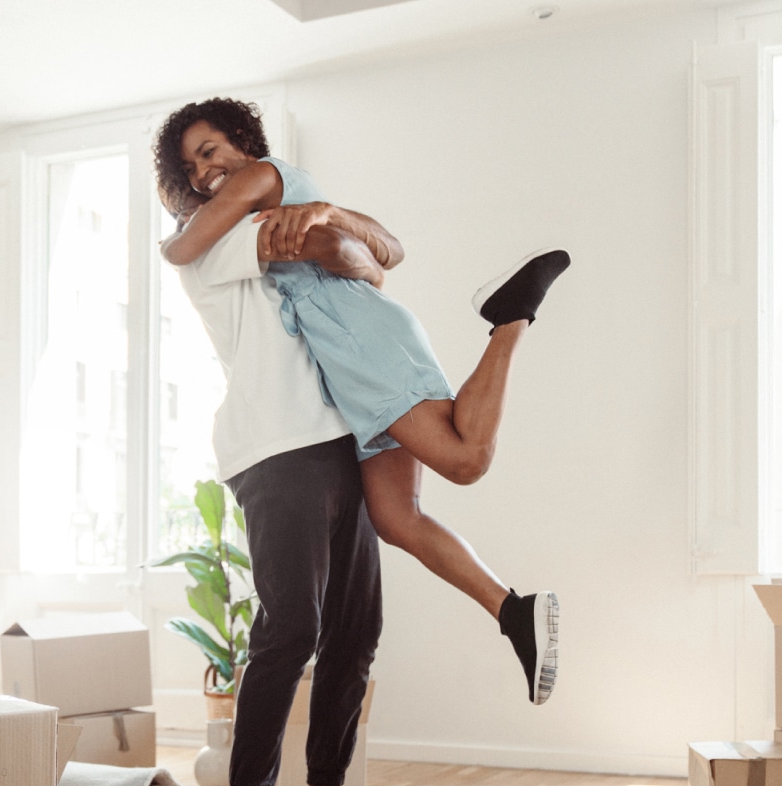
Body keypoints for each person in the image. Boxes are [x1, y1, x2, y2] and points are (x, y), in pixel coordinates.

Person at [155, 98, 567, 707]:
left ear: (242, 141)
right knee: (396, 519)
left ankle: (510, 316)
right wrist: (343, 236)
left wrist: (322, 227)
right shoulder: (272, 208)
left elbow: (184, 250)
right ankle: (512, 611)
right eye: (188, 169)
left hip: (361, 344)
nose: (200, 175)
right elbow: (375, 260)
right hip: (343, 374)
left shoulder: (261, 178)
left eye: (208, 151)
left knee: (466, 459)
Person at [159, 187, 420, 786]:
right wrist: (332, 227)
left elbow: (380, 257)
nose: (216, 174)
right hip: (276, 450)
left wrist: (335, 220)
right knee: (290, 632)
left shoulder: (279, 234)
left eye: (226, 153)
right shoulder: (212, 245)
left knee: (355, 631)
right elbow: (358, 256)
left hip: (339, 442)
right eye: (199, 162)